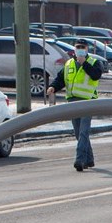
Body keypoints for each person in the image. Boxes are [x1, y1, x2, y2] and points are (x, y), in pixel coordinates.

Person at [46, 38, 102, 172]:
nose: (80, 49)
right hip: (72, 102)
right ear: (74, 49)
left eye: (83, 47)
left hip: (87, 102)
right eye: (78, 47)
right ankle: (89, 159)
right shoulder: (69, 64)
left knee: (84, 132)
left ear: (87, 49)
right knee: (78, 133)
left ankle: (80, 160)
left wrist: (84, 64)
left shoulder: (94, 62)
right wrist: (53, 87)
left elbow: (96, 75)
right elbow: (61, 79)